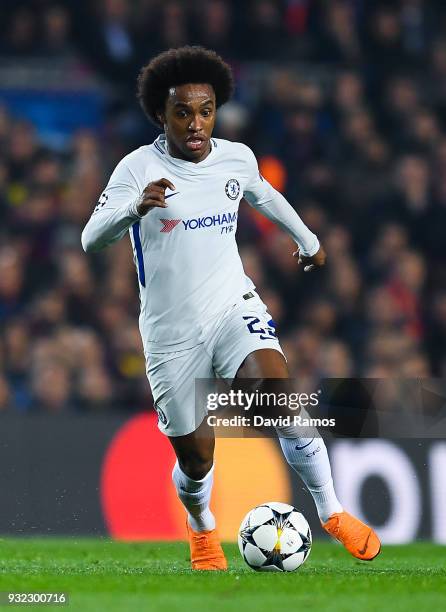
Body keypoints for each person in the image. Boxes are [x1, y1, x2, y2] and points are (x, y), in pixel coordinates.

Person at [81, 46, 380, 570]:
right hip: (171, 333)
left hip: (231, 306)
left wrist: (307, 240)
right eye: (183, 112)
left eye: (206, 110)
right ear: (161, 114)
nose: (196, 123)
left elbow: (263, 196)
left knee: (281, 400)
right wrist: (134, 207)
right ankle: (202, 530)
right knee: (197, 460)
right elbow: (90, 240)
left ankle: (332, 513)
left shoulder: (235, 158)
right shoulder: (137, 168)